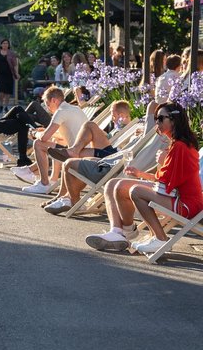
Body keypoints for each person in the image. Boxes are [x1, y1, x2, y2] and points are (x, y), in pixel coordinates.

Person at [86, 102, 203, 255]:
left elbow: (166, 183)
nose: (157, 123)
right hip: (177, 196)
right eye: (156, 119)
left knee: (136, 191)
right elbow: (167, 181)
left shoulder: (180, 147)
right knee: (113, 184)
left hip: (186, 204)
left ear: (173, 120)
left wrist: (160, 163)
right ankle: (119, 232)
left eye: (161, 118)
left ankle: (159, 238)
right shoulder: (176, 145)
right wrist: (140, 174)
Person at [43, 100, 133, 214]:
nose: (112, 117)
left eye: (113, 114)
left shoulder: (127, 125)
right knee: (89, 125)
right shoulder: (119, 125)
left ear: (121, 115)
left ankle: (67, 196)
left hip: (114, 158)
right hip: (111, 151)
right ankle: (73, 152)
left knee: (74, 157)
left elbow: (124, 148)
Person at [20, 85, 88, 195]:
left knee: (38, 143)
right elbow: (63, 136)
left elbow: (44, 138)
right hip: (86, 153)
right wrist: (44, 131)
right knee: (54, 142)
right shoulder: (74, 108)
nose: (47, 108)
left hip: (77, 156)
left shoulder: (60, 112)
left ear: (54, 100)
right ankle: (52, 179)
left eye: (47, 104)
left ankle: (44, 184)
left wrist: (34, 133)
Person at [0, 39, 19, 113]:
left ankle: (6, 106)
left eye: (6, 43)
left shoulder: (11, 53)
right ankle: (1, 104)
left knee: (7, 92)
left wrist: (16, 73)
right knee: (1, 91)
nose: (5, 45)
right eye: (3, 43)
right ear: (1, 45)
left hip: (9, 74)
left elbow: (15, 64)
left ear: (8, 45)